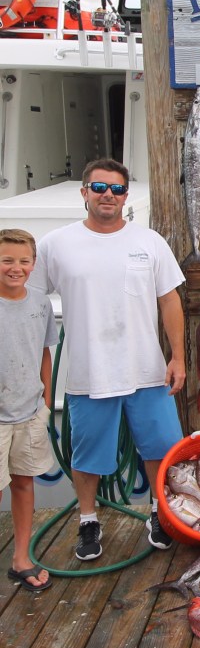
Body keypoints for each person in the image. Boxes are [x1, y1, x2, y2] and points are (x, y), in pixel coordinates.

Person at [29, 159, 186, 561]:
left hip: (148, 371)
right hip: (89, 373)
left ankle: (159, 512)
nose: (108, 196)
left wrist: (178, 357)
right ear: (84, 192)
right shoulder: (55, 244)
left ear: (125, 197)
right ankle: (87, 520)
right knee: (88, 455)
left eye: (116, 190)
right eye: (99, 188)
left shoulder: (149, 242)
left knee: (162, 448)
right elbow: (30, 299)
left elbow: (169, 300)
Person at [0, 229, 59, 590]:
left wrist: (47, 402)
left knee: (24, 484)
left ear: (34, 265)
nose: (15, 268)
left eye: (23, 261)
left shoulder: (40, 304)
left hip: (30, 412)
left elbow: (44, 352)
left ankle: (21, 557)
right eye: (7, 260)